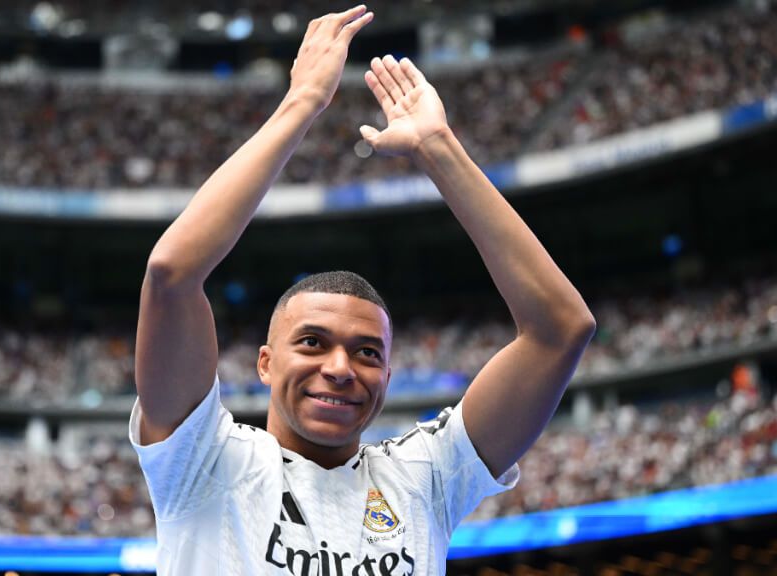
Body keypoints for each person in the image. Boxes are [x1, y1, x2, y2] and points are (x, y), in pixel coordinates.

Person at [129, 5, 595, 574]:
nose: (341, 367)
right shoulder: (203, 462)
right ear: (265, 363)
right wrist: (302, 104)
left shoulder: (425, 478)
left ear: (389, 377)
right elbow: (172, 274)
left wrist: (439, 148)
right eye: (312, 343)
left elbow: (561, 330)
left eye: (368, 352)